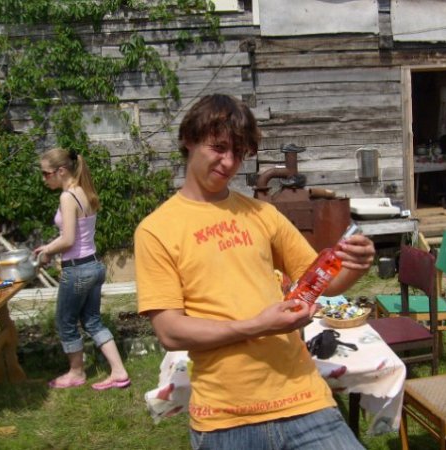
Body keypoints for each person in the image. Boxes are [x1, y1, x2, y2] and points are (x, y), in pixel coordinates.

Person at [135, 94, 375, 450]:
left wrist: (354, 265)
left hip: (305, 401)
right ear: (189, 139)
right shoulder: (157, 230)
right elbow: (170, 331)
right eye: (219, 148)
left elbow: (324, 283)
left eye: (238, 153)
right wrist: (258, 326)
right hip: (225, 419)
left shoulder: (262, 214)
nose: (229, 162)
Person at [34, 148, 129, 390]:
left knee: (65, 322)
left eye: (46, 173)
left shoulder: (67, 197)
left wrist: (46, 250)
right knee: (92, 321)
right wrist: (49, 248)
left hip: (77, 270)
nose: (43, 179)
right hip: (94, 266)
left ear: (61, 171)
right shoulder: (83, 190)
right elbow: (76, 236)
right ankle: (119, 372)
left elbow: (68, 240)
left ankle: (76, 373)